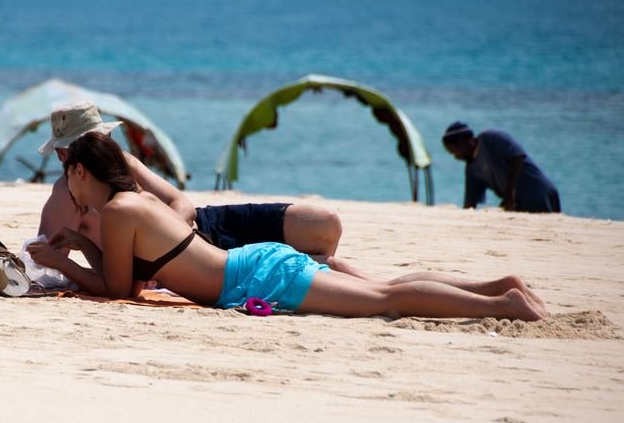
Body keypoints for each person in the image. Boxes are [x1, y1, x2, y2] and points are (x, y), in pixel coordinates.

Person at [27, 132, 546, 321]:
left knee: (385, 300)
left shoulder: (117, 212)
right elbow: (132, 281)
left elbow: (120, 292)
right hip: (256, 267)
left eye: (67, 173)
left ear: (79, 170)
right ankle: (498, 286)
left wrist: (61, 266)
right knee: (380, 289)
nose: (65, 188)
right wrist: (76, 246)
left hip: (256, 278)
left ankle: (501, 306)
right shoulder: (129, 205)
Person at [36, 102, 342, 261]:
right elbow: (44, 257)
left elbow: (182, 203)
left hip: (206, 227)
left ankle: (310, 268)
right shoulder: (68, 192)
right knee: (321, 264)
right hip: (191, 261)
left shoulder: (124, 163)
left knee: (325, 224)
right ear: (65, 154)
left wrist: (172, 234)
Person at [442, 122, 560, 213]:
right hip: (518, 202)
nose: (456, 157)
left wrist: (508, 194)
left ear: (463, 141)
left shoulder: (490, 138)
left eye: (454, 151)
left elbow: (517, 157)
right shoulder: (472, 168)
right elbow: (470, 204)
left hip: (538, 192)